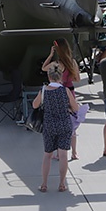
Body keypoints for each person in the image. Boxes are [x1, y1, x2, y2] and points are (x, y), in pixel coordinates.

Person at [32, 64, 79, 193]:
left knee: (47, 155)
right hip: (64, 125)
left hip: (49, 126)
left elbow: (35, 105)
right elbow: (75, 108)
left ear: (49, 76)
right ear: (61, 77)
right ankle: (62, 183)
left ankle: (44, 184)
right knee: (63, 155)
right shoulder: (66, 91)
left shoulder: (44, 91)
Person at [42, 37, 82, 160]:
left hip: (60, 93)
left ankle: (60, 153)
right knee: (72, 123)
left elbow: (44, 68)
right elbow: (77, 79)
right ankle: (74, 152)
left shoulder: (57, 64)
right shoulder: (72, 62)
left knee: (61, 121)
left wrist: (50, 55)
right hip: (71, 92)